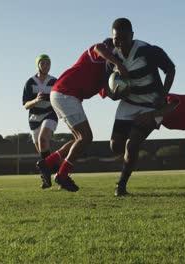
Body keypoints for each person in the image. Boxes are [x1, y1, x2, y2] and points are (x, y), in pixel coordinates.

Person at [36, 39, 128, 192]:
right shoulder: (100, 52)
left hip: (63, 95)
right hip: (66, 94)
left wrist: (124, 89)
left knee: (79, 139)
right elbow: (99, 48)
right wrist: (119, 63)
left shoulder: (105, 73)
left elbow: (111, 93)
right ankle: (62, 174)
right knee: (86, 137)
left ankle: (47, 163)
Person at [108, 18, 176, 196]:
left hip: (150, 105)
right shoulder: (112, 57)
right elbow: (110, 91)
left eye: (124, 38)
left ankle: (121, 185)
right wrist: (116, 94)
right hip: (128, 104)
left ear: (132, 35)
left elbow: (170, 69)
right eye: (116, 39)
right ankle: (133, 155)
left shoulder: (148, 50)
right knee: (116, 146)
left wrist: (163, 96)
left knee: (131, 145)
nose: (120, 42)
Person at [22, 54, 58, 188]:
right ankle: (59, 173)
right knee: (43, 152)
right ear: (38, 65)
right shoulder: (30, 82)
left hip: (50, 114)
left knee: (44, 139)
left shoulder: (54, 81)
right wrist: (36, 100)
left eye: (48, 64)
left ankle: (47, 178)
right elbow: (25, 105)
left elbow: (60, 97)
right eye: (43, 63)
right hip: (34, 118)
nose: (46, 66)